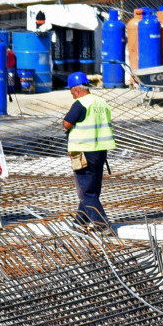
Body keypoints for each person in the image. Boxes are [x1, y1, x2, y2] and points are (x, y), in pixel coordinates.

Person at [62, 71, 114, 228]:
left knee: (86, 192)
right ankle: (80, 222)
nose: (72, 95)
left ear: (76, 89)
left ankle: (103, 225)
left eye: (72, 92)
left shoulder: (81, 103)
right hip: (100, 151)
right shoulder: (101, 102)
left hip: (83, 151)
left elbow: (67, 123)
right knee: (92, 189)